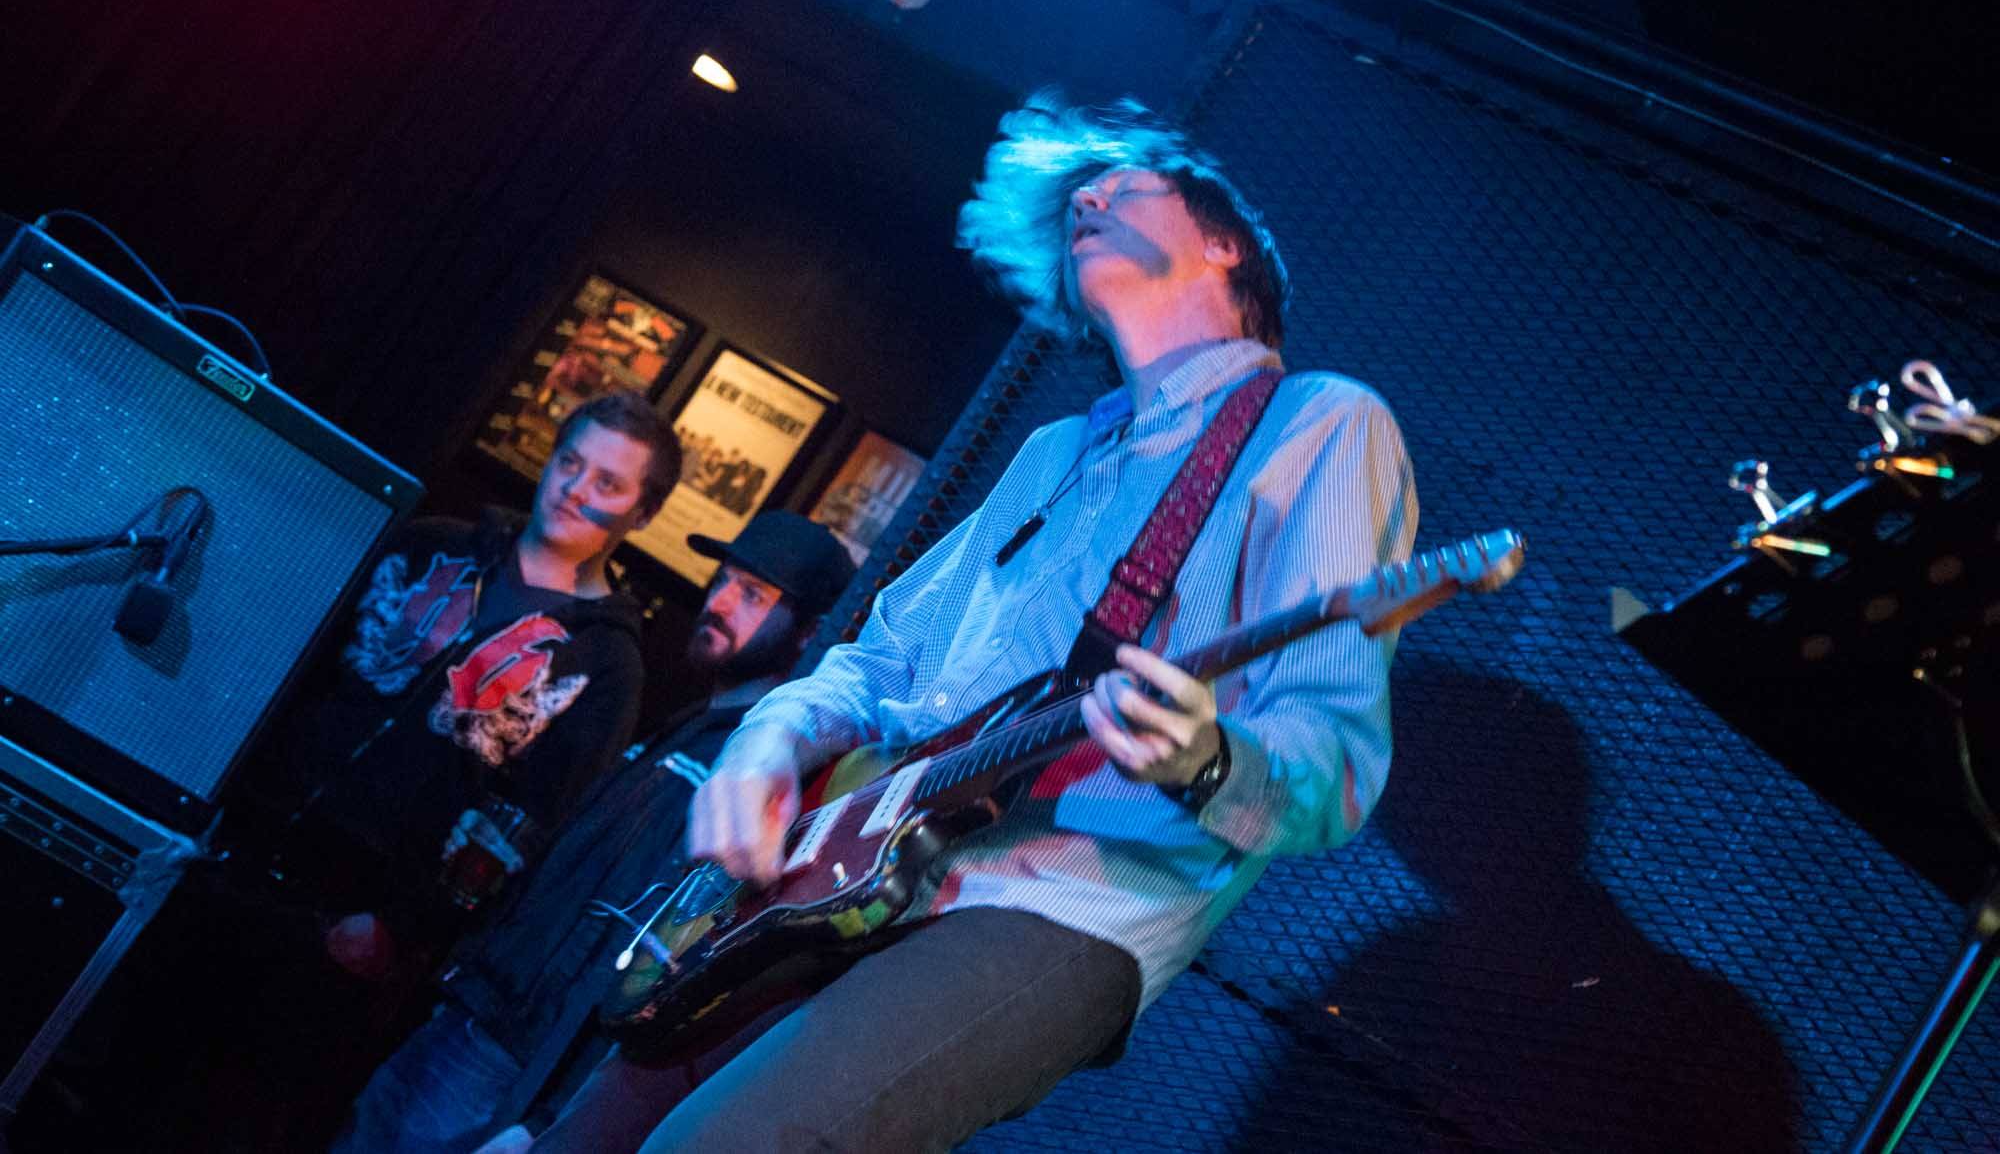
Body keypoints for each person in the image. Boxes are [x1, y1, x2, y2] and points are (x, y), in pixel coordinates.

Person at [526, 92, 1421, 1153]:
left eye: (1124, 183)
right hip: (844, 861)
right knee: (585, 1132)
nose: (1085, 194)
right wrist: (766, 739)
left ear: (1223, 243)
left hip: (1058, 901)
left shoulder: (1322, 424)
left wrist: (1204, 757)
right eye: (1078, 192)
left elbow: (1335, 761)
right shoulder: (1052, 452)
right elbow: (884, 659)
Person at [79, 390, 681, 1154]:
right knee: (119, 1070)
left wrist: (404, 924)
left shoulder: (607, 661)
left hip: (350, 921)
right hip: (234, 852)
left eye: (608, 483)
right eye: (570, 462)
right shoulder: (430, 546)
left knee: (228, 1121)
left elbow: (525, 822)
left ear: (640, 513)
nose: (576, 489)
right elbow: (294, 674)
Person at [331, 511, 857, 1154]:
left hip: (515, 1060)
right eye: (724, 579)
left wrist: (547, 1111)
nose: (718, 601)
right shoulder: (698, 720)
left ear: (808, 632)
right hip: (485, 1024)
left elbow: (663, 952)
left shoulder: (755, 768)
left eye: (752, 596)